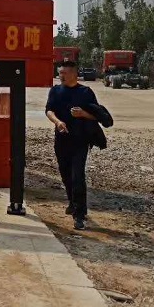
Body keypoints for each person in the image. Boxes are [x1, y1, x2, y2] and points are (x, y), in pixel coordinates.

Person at [45, 60, 99, 230]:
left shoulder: (86, 92)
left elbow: (98, 115)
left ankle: (80, 214)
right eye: (60, 73)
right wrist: (58, 122)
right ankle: (72, 201)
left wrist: (83, 113)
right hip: (61, 139)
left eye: (65, 73)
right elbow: (49, 110)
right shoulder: (55, 91)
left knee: (78, 177)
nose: (61, 76)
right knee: (66, 174)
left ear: (75, 74)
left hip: (80, 141)